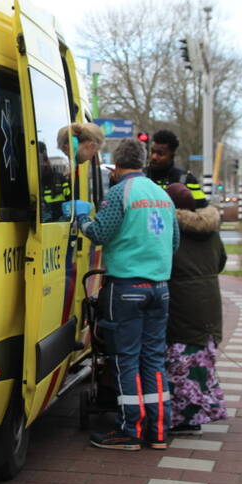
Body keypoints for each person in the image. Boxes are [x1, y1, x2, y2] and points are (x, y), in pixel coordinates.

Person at [67, 137, 180, 450]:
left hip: (127, 288)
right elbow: (174, 243)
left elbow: (100, 233)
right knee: (154, 359)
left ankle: (130, 430)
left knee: (125, 359)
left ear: (116, 166)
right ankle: (158, 430)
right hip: (160, 288)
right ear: (142, 162)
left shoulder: (120, 193)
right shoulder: (163, 195)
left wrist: (81, 218)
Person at [162, 182, 228, 435]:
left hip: (181, 301)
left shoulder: (169, 227)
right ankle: (196, 413)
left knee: (178, 360)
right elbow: (221, 260)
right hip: (209, 301)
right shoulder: (211, 229)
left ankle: (181, 418)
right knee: (199, 359)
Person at [146, 129, 208, 208]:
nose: (154, 157)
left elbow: (202, 212)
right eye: (152, 152)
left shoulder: (187, 180)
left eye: (160, 153)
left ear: (172, 155)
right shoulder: (141, 178)